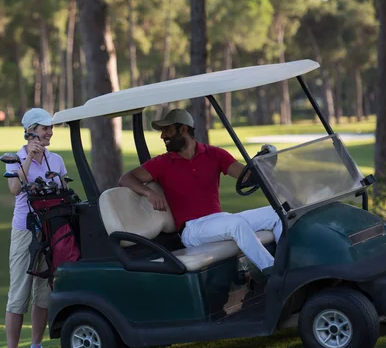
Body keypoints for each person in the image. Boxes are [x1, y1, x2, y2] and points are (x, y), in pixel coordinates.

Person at [118, 108, 282, 274]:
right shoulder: (161, 163)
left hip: (219, 219)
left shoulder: (215, 154)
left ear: (183, 129)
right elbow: (126, 178)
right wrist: (149, 193)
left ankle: (288, 263)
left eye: (167, 130)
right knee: (236, 224)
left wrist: (265, 162)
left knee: (277, 213)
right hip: (192, 229)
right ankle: (274, 272)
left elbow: (246, 177)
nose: (162, 136)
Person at [3, 108, 67, 348]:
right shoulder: (15, 158)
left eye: (51, 128)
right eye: (44, 128)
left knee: (43, 293)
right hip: (24, 231)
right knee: (19, 292)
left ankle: (36, 347)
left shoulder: (57, 160)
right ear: (30, 130)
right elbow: (15, 189)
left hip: (50, 229)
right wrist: (28, 159)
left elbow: (64, 190)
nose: (50, 132)